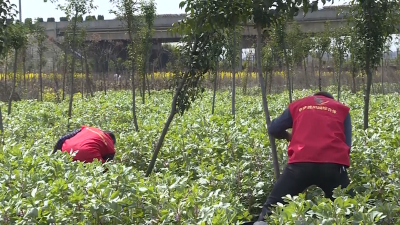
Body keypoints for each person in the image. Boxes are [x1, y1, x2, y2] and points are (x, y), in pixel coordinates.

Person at [256, 91, 353, 223]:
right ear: (331, 100)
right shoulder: (341, 109)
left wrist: (287, 136)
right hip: (332, 165)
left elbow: (274, 129)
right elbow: (347, 145)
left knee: (272, 207)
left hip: (300, 163)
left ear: (314, 97)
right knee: (349, 209)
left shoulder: (299, 105)